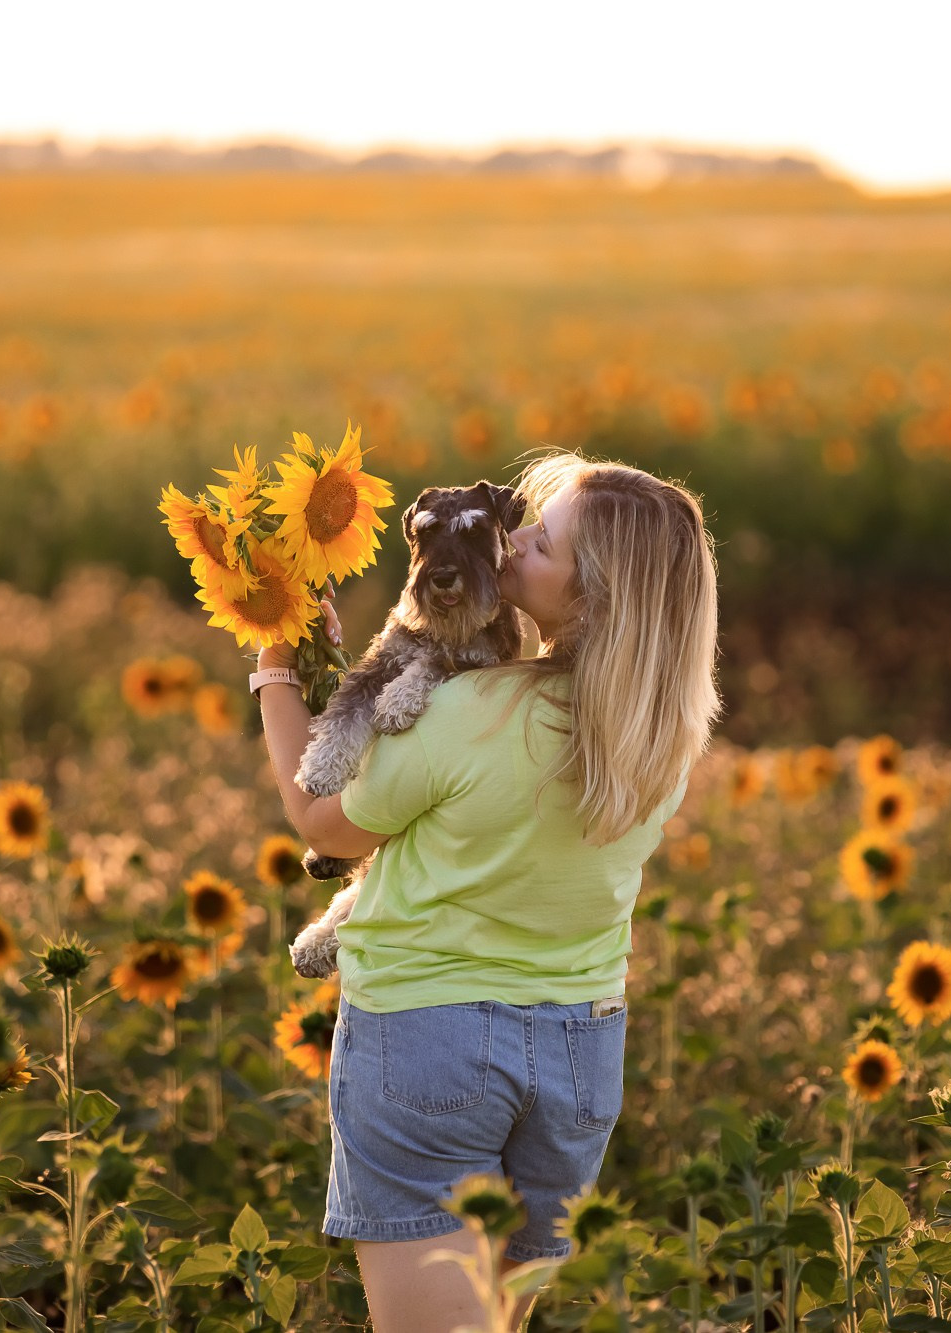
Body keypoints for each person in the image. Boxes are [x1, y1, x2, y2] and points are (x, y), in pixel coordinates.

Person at [253, 447, 721, 1333]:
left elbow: (322, 826)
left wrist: (276, 669)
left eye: (542, 544)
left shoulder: (468, 713)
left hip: (428, 1043)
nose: (513, 546)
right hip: (580, 1057)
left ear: (595, 593)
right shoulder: (660, 738)